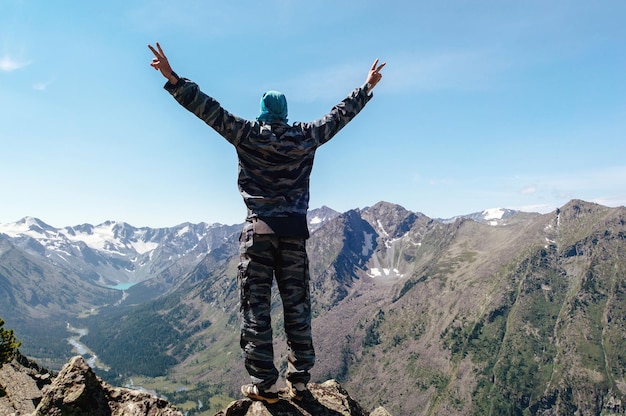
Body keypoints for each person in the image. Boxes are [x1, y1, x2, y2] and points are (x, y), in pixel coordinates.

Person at [148, 42, 385, 404]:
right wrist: (365, 88)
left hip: (257, 234)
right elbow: (338, 116)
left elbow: (210, 111)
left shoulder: (247, 133)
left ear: (261, 112)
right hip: (293, 235)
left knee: (256, 308)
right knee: (298, 307)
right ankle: (300, 380)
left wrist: (174, 79)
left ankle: (266, 384)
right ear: (286, 113)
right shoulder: (305, 136)